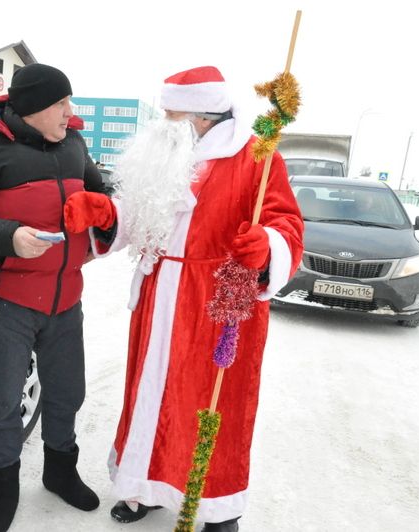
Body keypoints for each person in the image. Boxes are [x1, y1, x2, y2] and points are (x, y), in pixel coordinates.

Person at [63, 66, 304, 531]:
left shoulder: (257, 154)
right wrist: (108, 212)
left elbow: (287, 223)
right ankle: (145, 486)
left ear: (200, 116)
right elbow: (144, 212)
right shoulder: (169, 152)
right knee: (152, 395)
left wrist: (267, 244)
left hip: (216, 301)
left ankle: (216, 505)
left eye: (169, 112)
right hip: (160, 296)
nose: (161, 120)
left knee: (211, 405)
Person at [0, 63, 106, 532]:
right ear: (31, 110)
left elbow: (99, 191)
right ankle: (3, 485)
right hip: (7, 299)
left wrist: (103, 209)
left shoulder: (73, 143)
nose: (71, 113)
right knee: (6, 400)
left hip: (66, 297)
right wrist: (9, 237)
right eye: (61, 105)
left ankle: (59, 471)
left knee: (68, 392)